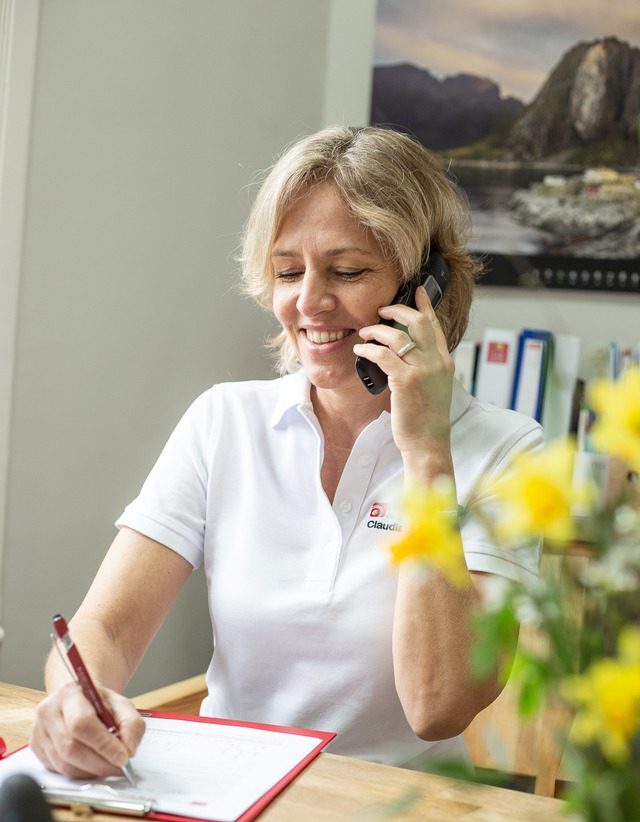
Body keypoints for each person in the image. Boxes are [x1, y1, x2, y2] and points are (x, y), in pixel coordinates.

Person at [30, 125, 542, 778]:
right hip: (225, 793)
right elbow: (105, 630)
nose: (308, 302)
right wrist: (79, 697)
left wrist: (427, 458)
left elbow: (436, 707)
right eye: (288, 271)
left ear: (427, 285)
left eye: (347, 271)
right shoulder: (224, 420)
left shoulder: (507, 452)